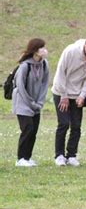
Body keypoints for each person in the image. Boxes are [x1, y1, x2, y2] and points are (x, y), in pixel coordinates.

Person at [52, 33, 86, 167]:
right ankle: (59, 155)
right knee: (63, 124)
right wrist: (63, 95)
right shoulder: (70, 51)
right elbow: (60, 74)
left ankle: (71, 155)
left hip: (77, 94)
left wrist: (82, 95)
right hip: (61, 91)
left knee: (76, 125)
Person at [12, 38, 49, 167]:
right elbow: (20, 87)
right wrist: (31, 103)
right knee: (27, 129)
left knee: (33, 131)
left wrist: (40, 102)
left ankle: (27, 157)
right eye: (42, 48)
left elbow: (45, 84)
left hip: (36, 104)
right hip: (23, 103)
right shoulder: (25, 66)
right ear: (35, 51)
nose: (45, 50)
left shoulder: (44, 64)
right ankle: (20, 158)